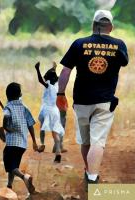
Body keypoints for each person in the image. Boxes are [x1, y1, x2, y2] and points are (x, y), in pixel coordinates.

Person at [57, 10, 128, 189]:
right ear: (110, 27)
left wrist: (60, 93)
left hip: (81, 100)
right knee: (98, 142)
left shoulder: (79, 43)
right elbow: (123, 62)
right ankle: (93, 178)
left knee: (86, 140)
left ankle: (89, 173)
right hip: (105, 101)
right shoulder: (119, 44)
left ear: (93, 25)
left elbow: (66, 70)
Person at [3, 82, 38, 193]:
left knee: (9, 165)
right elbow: (30, 124)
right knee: (13, 167)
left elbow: (6, 117)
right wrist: (34, 141)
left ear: (7, 95)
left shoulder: (8, 107)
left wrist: (5, 126)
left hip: (11, 143)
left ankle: (24, 177)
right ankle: (9, 186)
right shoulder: (24, 107)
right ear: (20, 94)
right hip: (22, 144)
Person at [35, 62, 64, 163]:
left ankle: (42, 144)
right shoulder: (58, 85)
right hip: (55, 110)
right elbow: (55, 75)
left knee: (42, 127)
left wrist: (37, 69)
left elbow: (40, 80)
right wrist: (54, 68)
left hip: (46, 110)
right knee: (54, 132)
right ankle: (58, 153)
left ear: (48, 79)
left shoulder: (48, 85)